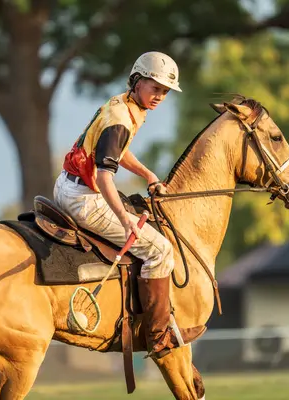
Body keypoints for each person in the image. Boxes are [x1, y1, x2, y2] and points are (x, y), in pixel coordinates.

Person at [53, 51, 204, 358]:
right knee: (160, 250)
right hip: (84, 198)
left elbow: (117, 153)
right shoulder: (121, 118)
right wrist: (123, 218)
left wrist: (147, 173)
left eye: (164, 91)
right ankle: (159, 335)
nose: (159, 95)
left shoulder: (125, 104)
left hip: (72, 186)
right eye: (155, 87)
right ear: (137, 81)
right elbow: (107, 177)